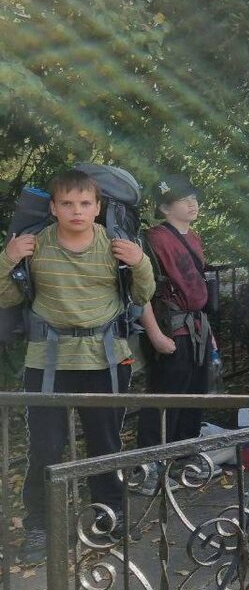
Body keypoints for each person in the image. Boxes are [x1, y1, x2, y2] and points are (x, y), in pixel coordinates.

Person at [0, 169, 155, 564]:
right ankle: (41, 526)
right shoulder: (34, 245)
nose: (76, 211)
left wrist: (140, 262)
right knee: (45, 448)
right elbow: (6, 298)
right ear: (53, 208)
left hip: (106, 359)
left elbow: (142, 295)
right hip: (47, 362)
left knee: (106, 444)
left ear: (97, 207)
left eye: (85, 203)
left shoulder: (115, 245)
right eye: (67, 203)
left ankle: (109, 516)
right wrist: (8, 258)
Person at [135, 174, 214, 495]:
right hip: (170, 326)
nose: (192, 204)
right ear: (165, 208)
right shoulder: (153, 240)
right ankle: (148, 468)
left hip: (196, 327)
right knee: (165, 395)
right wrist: (155, 334)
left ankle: (183, 458)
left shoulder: (193, 237)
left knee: (194, 393)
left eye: (194, 198)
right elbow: (143, 290)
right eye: (184, 200)